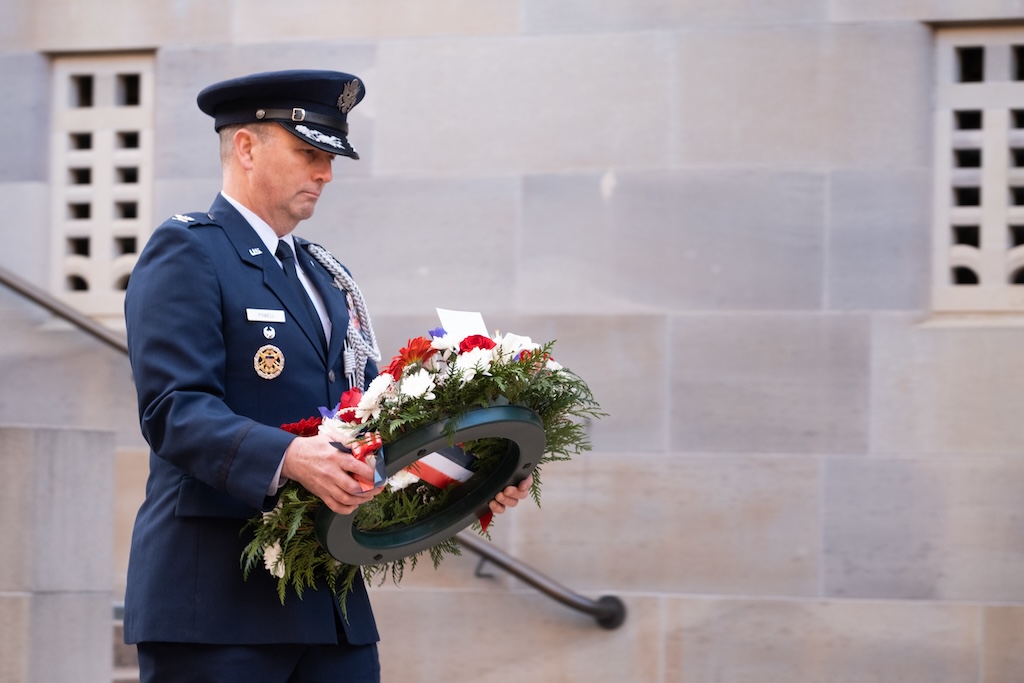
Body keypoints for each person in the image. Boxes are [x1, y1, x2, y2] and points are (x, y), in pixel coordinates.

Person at [122, 69, 532, 683]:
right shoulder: (189, 252)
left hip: (328, 600)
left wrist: (470, 474)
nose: (326, 174)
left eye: (331, 157)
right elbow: (174, 410)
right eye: (309, 153)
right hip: (216, 600)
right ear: (246, 148)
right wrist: (289, 456)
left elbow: (369, 421)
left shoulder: (323, 275)